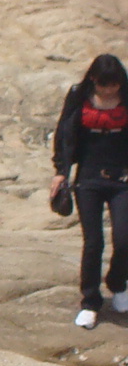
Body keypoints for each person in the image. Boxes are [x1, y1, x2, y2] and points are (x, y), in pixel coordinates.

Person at [51, 53, 128, 330]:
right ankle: (90, 302)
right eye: (104, 85)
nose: (109, 90)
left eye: (114, 85)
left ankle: (118, 283)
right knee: (93, 242)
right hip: (88, 178)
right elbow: (64, 133)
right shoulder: (78, 95)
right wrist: (61, 170)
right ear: (94, 79)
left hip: (122, 178)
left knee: (124, 238)